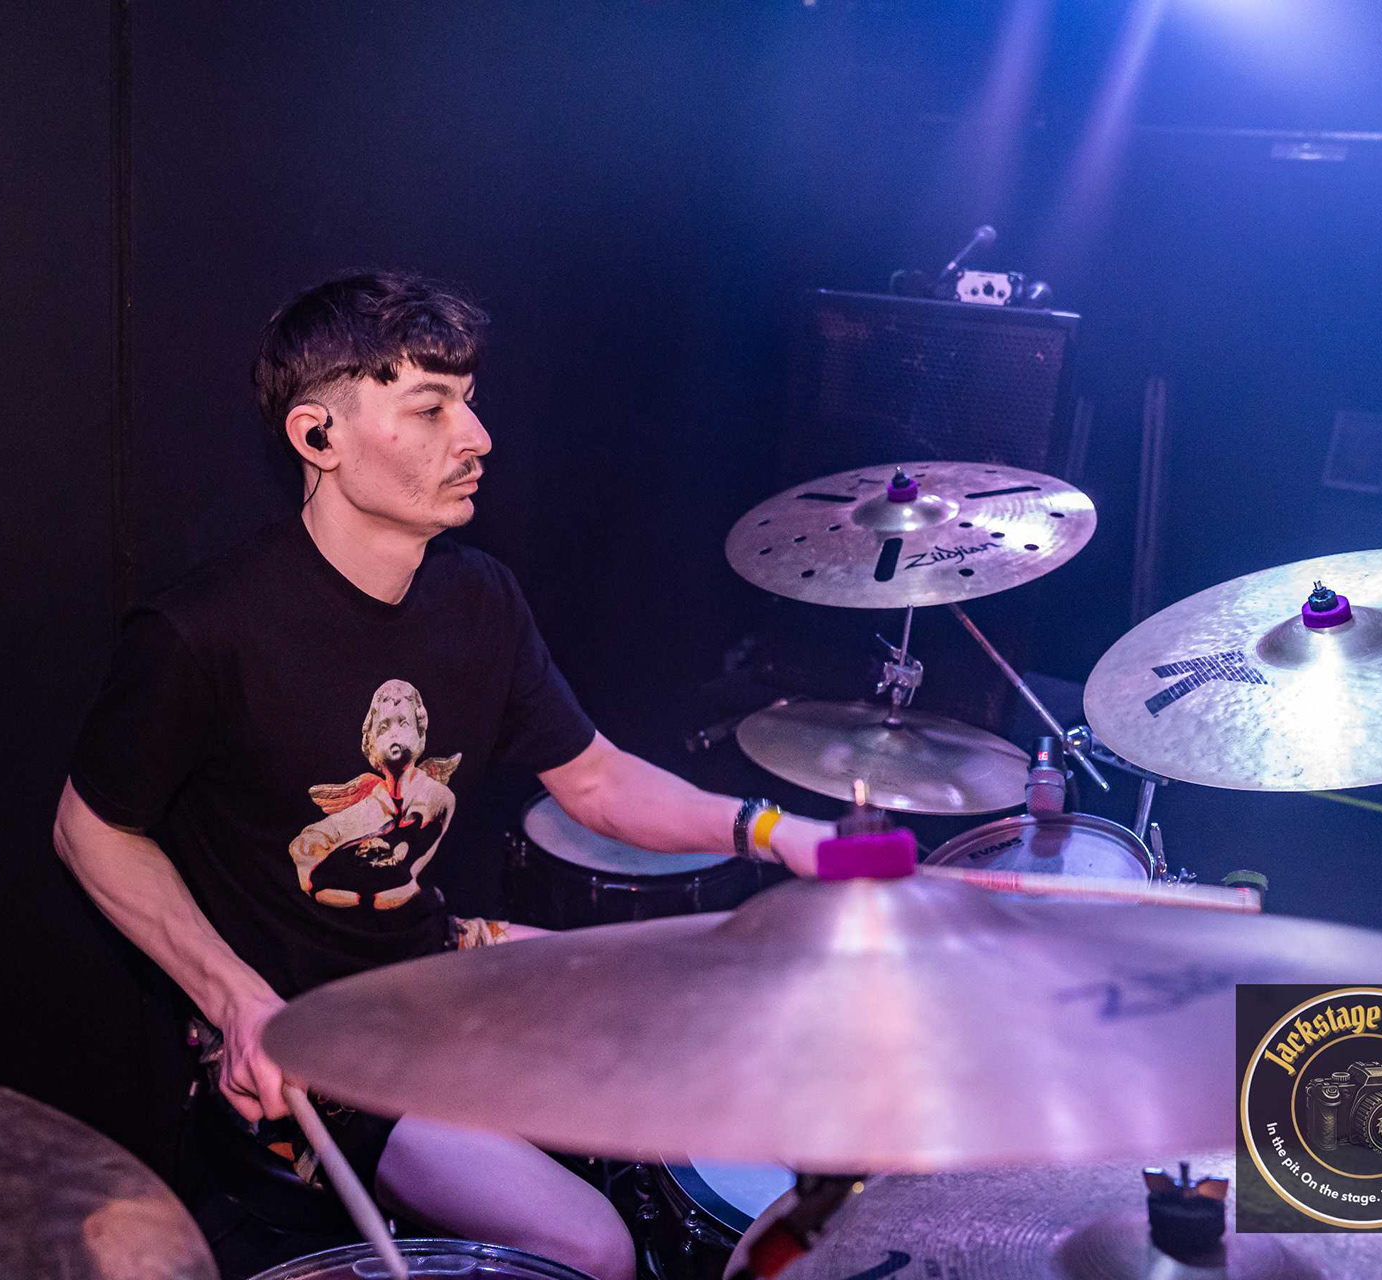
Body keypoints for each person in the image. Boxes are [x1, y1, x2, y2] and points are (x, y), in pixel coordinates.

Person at [53, 271, 834, 1280]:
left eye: (468, 400)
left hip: (433, 967)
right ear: (318, 437)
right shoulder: (203, 632)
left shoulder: (479, 599)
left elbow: (594, 781)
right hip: (314, 1037)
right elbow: (90, 827)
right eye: (431, 408)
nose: (478, 436)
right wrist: (233, 995)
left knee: (722, 1030)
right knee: (590, 1247)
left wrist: (781, 833)